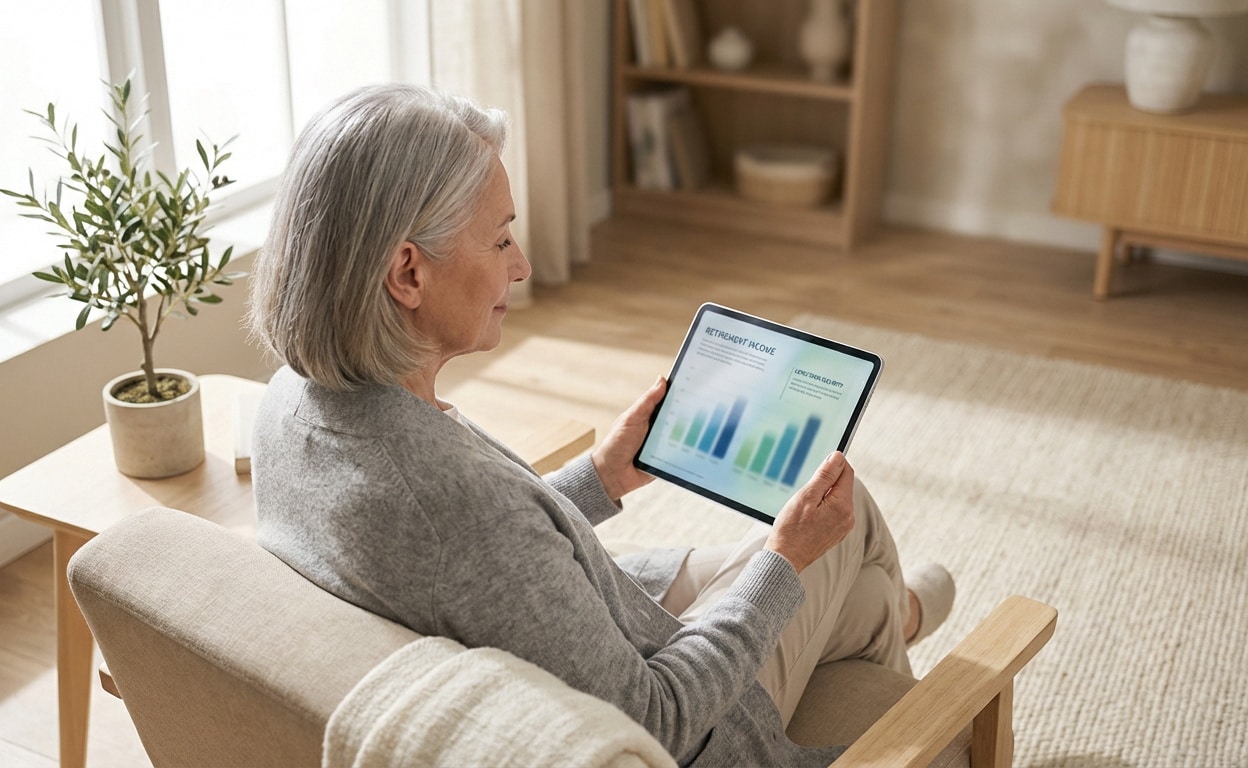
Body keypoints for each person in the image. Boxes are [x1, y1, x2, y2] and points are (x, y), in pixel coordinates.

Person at [249, 83, 954, 767]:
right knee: (841, 515)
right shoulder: (449, 505)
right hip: (684, 720)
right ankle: (917, 685)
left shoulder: (291, 406)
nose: (521, 266)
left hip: (584, 621)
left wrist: (604, 476)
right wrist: (786, 561)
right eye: (500, 242)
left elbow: (485, 564)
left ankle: (888, 615)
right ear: (408, 274)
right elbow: (656, 721)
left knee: (849, 581)